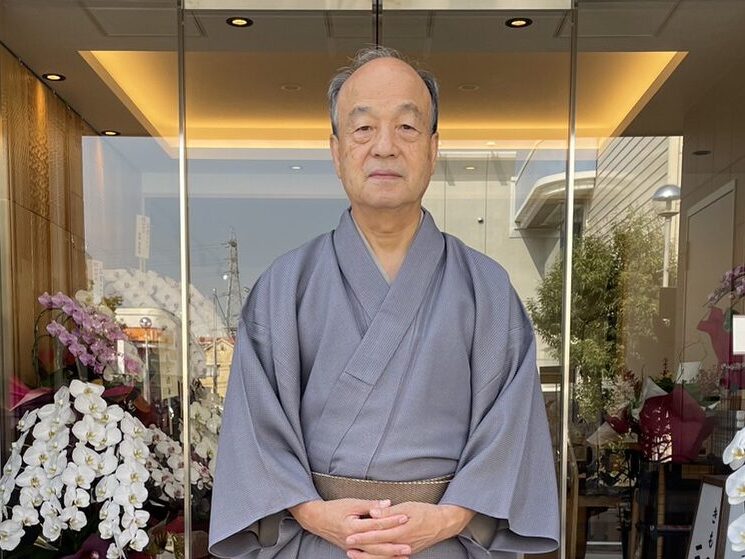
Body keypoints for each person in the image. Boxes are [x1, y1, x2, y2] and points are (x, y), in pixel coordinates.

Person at [208, 46, 560, 559]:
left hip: (443, 545)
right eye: (363, 128)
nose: (385, 147)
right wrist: (313, 512)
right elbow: (254, 431)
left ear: (433, 149)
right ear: (336, 151)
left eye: (407, 127)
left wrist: (449, 516)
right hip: (321, 544)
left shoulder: (487, 289)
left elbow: (511, 432)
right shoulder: (284, 287)